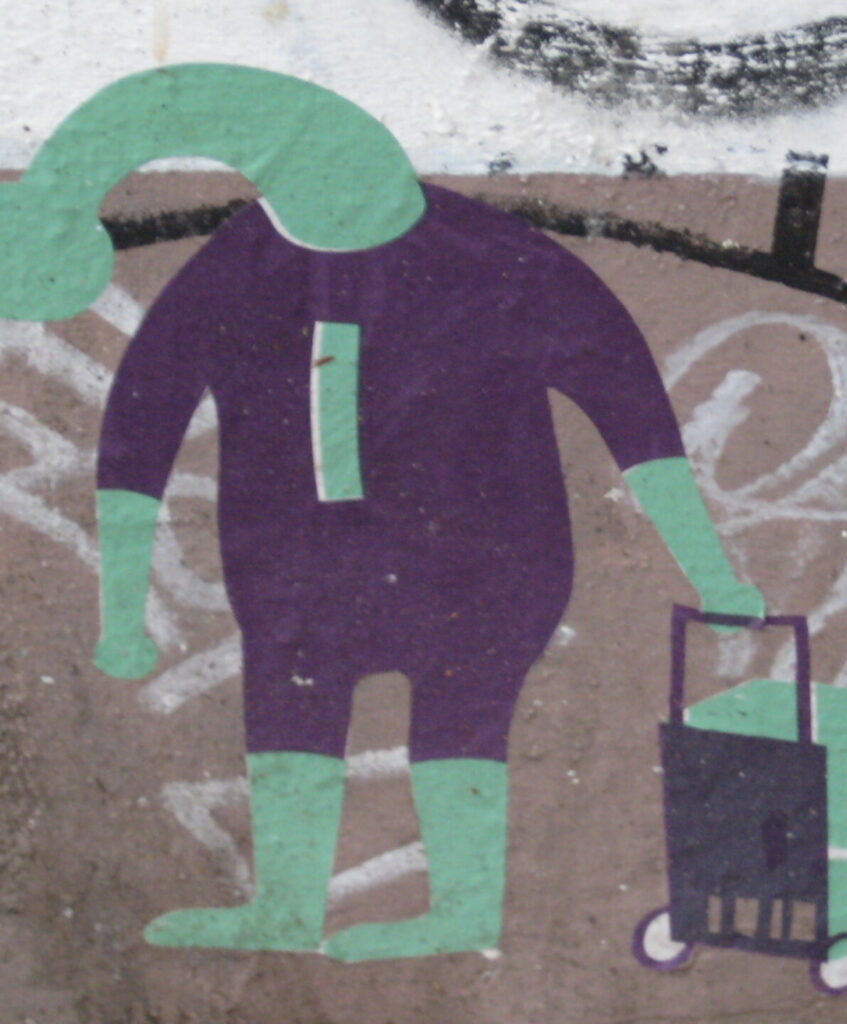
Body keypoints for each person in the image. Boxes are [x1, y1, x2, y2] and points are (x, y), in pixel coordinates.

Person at [3, 64, 763, 961]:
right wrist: (121, 614)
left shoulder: (503, 263)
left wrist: (714, 574)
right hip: (298, 567)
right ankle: (287, 909)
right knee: (292, 701)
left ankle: (462, 912)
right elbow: (140, 433)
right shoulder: (238, 270)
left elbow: (637, 421)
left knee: (459, 714)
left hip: (486, 563)